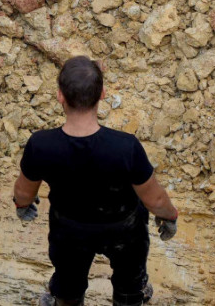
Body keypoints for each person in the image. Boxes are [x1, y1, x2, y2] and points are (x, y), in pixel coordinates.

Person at [13, 56, 180, 306]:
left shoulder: (41, 144)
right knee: (129, 281)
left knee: (68, 280)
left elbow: (24, 191)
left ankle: (65, 299)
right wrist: (169, 216)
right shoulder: (126, 147)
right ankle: (131, 296)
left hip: (69, 229)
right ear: (102, 94)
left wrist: (22, 205)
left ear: (60, 96)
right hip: (124, 230)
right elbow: (154, 198)